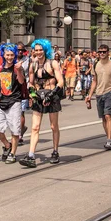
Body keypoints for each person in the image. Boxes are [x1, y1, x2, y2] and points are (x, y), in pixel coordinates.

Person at [19, 38, 64, 168]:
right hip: (39, 98)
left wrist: (51, 94)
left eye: (41, 50)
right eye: (36, 50)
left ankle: (55, 151)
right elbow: (31, 83)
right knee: (35, 127)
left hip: (52, 96)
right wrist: (33, 94)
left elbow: (60, 81)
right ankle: (31, 155)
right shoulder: (32, 65)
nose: (38, 52)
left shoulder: (53, 63)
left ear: (45, 50)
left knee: (53, 126)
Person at [0, 43, 25, 164]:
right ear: (3, 55)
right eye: (7, 55)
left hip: (14, 101)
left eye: (12, 55)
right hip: (2, 100)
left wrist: (19, 70)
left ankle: (13, 153)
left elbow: (21, 81)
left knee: (15, 130)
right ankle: (7, 145)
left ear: (15, 55)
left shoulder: (17, 68)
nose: (9, 57)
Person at [85, 44, 111, 150]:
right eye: (100, 52)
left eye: (104, 52)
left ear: (108, 52)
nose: (102, 54)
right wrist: (89, 95)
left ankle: (109, 140)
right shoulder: (96, 64)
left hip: (109, 92)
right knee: (103, 118)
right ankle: (108, 137)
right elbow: (94, 81)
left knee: (107, 115)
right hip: (99, 93)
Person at [16, 42, 30, 145]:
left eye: (21, 50)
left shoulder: (26, 60)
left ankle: (19, 135)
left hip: (23, 87)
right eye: (18, 50)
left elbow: (27, 73)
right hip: (12, 88)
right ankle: (21, 129)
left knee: (21, 111)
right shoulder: (10, 58)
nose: (20, 52)